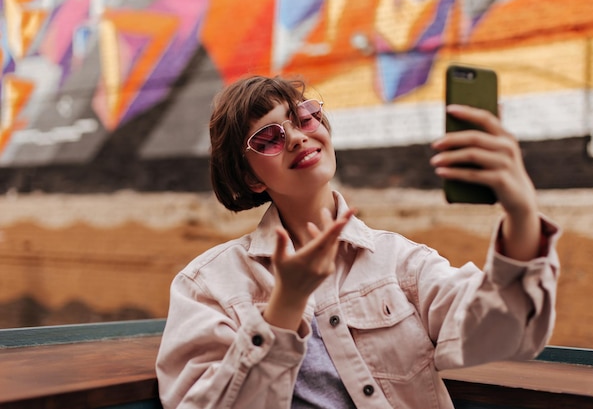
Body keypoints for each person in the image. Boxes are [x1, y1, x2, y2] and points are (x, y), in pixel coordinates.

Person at [155, 75, 560, 409]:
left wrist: (522, 215)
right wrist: (284, 308)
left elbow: (505, 332)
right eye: (269, 138)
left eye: (304, 118)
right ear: (251, 178)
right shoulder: (208, 285)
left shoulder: (399, 262)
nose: (297, 137)